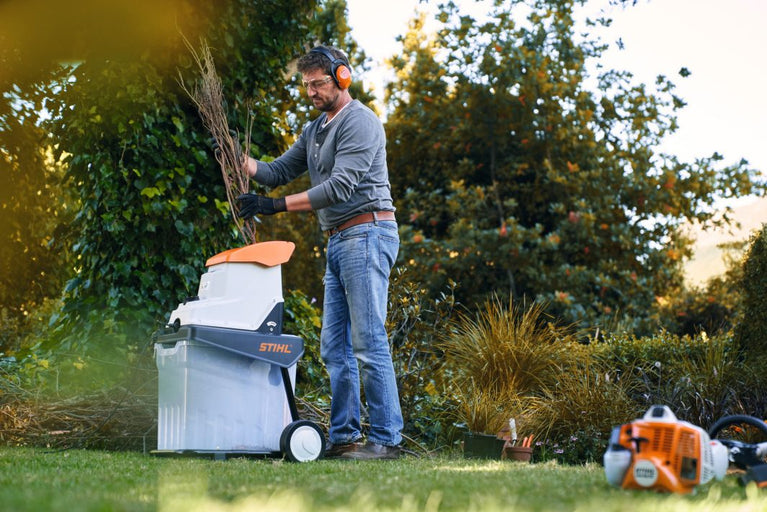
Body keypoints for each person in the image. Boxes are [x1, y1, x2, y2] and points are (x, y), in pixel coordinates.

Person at [236, 45, 403, 460]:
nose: (311, 91)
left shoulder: (360, 123)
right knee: (334, 347)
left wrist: (273, 207)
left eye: (319, 82)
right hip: (338, 241)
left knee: (367, 341)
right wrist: (240, 161)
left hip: (368, 233)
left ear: (342, 77)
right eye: (306, 84)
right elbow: (276, 171)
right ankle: (345, 438)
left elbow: (339, 188)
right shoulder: (315, 130)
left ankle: (386, 440)